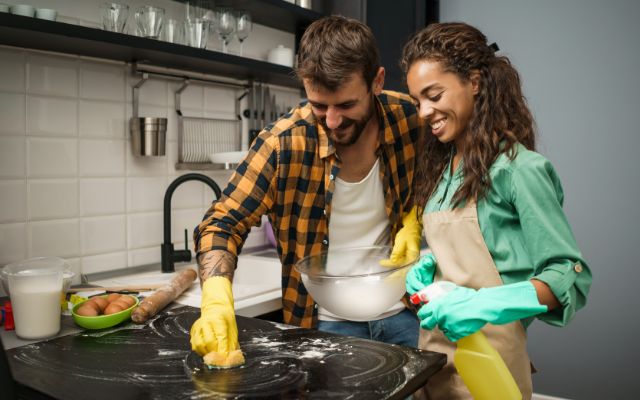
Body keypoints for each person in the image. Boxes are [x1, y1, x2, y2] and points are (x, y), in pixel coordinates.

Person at [189, 15, 426, 366]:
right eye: (319, 106)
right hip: (325, 325)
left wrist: (415, 218)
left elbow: (449, 172)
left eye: (346, 105)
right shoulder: (283, 143)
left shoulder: (409, 118)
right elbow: (222, 222)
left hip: (406, 310)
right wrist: (215, 299)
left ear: (376, 82)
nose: (331, 120)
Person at [400, 22, 592, 399]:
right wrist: (425, 277)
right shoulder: (442, 171)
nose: (424, 111)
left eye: (434, 95)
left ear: (474, 82)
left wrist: (483, 304)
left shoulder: (520, 170)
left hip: (490, 370)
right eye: (416, 101)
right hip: (433, 363)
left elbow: (568, 277)